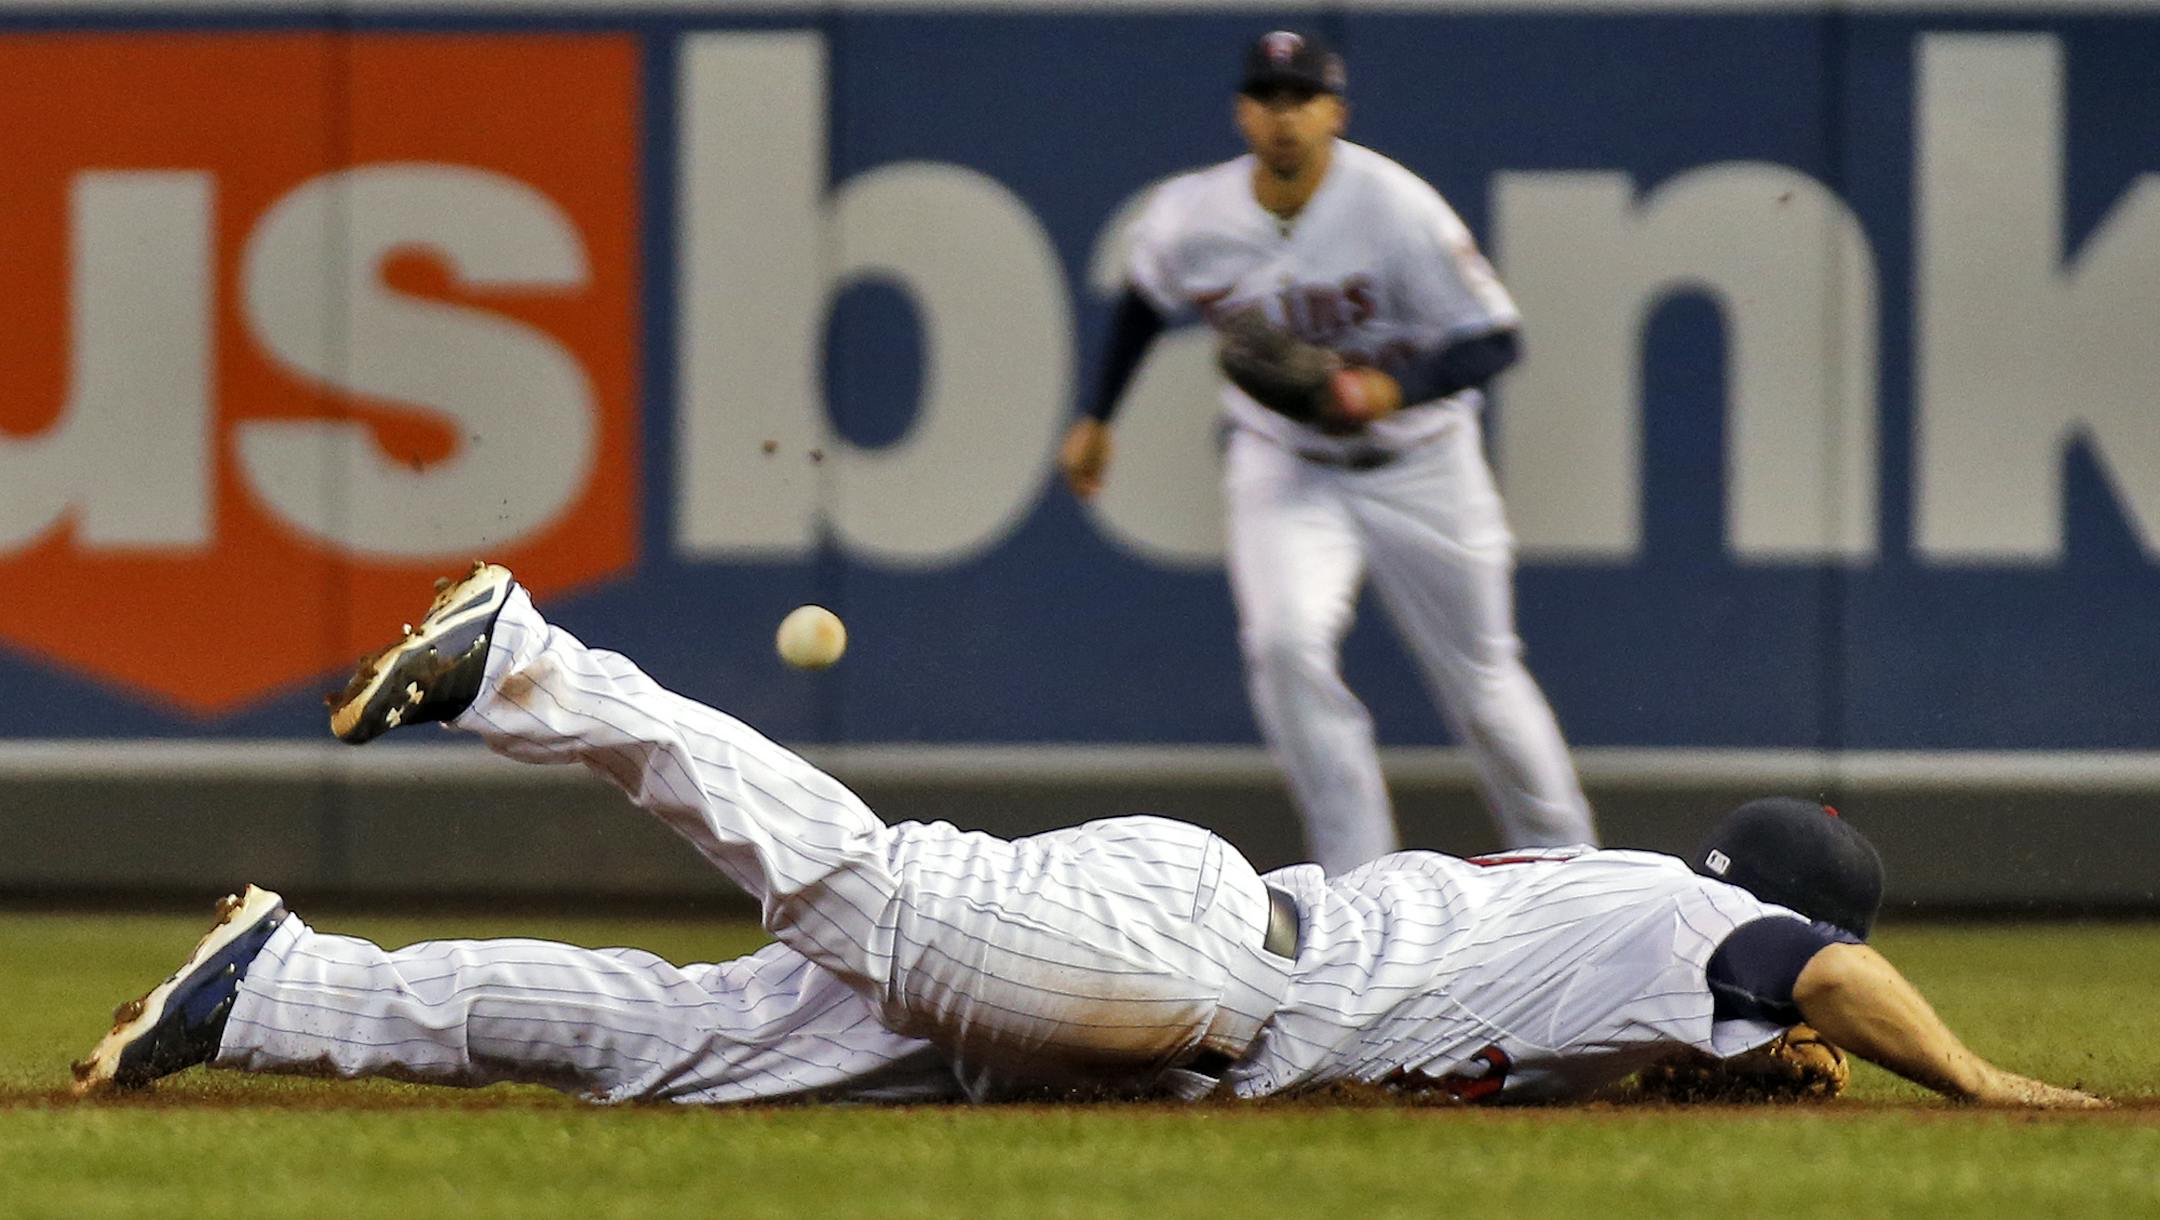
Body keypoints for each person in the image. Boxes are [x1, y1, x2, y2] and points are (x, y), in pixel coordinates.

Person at [72, 563, 2105, 1110]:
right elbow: (1795, 971)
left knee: (674, 1046)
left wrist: (1708, 1088)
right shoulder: (1695, 922)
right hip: (1201, 957)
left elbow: (1712, 1024)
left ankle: (287, 988)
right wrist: (1984, 1075)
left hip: (1191, 983)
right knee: (854, 883)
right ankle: (537, 664)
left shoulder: (1620, 947)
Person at [1058, 30, 1596, 874]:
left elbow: (1494, 341)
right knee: (1283, 644)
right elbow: (1142, 302)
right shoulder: (1191, 216)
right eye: (1268, 98)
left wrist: (1393, 389)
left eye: (1303, 99)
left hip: (1423, 465)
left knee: (1486, 687)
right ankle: (1355, 884)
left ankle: (1576, 874)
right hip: (1286, 464)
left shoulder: (1396, 207)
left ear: (1335, 114)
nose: (1285, 117)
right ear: (1243, 112)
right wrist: (1097, 417)